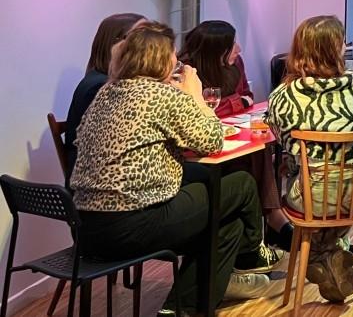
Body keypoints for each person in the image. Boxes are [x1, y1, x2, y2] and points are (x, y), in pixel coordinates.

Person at [71, 22, 272, 313]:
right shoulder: (161, 96)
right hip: (134, 223)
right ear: (162, 59)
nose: (177, 61)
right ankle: (250, 255)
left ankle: (182, 307)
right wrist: (194, 93)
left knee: (228, 221)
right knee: (239, 183)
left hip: (86, 228)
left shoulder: (107, 92)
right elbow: (212, 139)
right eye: (173, 55)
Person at [266, 16, 353, 303]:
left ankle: (320, 254)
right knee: (350, 179)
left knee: (305, 180)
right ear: (337, 48)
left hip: (311, 197)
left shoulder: (282, 96)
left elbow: (285, 143)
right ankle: (329, 253)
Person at [179, 19, 290, 249]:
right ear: (216, 51)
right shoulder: (188, 71)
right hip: (199, 147)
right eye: (232, 45)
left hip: (230, 134)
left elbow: (247, 97)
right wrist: (233, 102)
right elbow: (201, 109)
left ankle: (262, 228)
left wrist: (229, 104)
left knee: (259, 149)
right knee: (251, 160)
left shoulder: (235, 63)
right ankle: (267, 225)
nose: (239, 49)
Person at [64, 12, 143, 175]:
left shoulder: (100, 81)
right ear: (118, 44)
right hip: (97, 186)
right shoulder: (100, 88)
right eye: (141, 39)